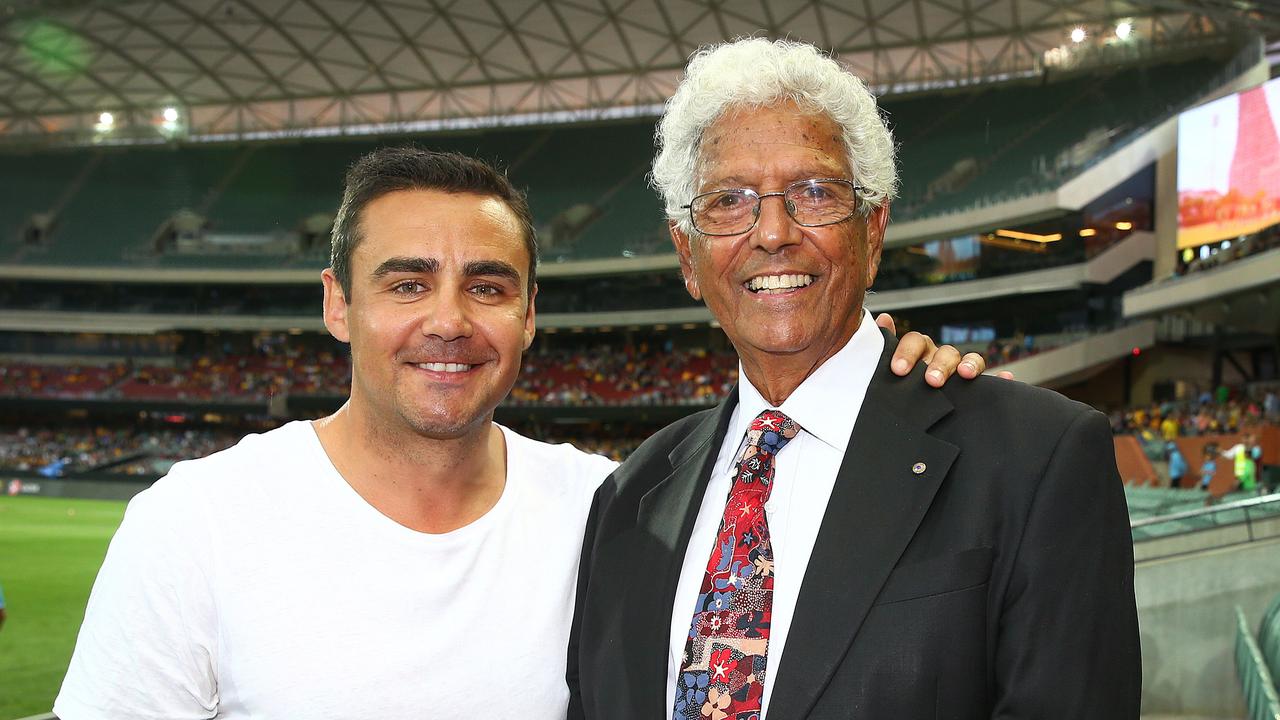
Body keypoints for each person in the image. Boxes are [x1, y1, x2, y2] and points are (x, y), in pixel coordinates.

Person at [55, 148, 984, 718]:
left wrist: (893, 374)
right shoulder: (196, 523)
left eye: (489, 286)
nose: (451, 321)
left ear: (531, 313)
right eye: (407, 283)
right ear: (338, 304)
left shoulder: (611, 509)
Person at [567, 39, 1140, 720]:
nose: (772, 232)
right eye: (728, 200)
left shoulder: (1036, 459)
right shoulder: (630, 497)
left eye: (814, 192)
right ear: (687, 254)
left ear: (873, 228)